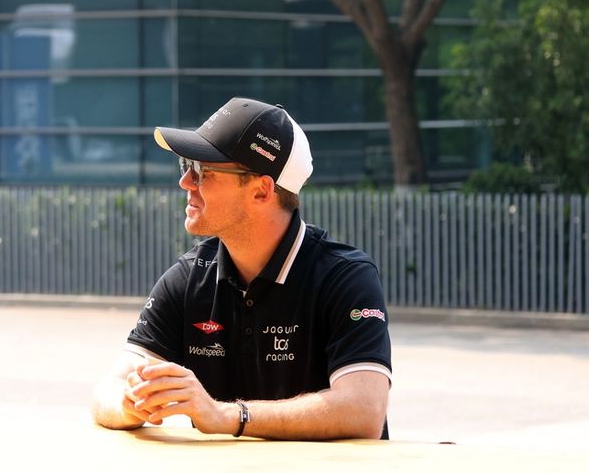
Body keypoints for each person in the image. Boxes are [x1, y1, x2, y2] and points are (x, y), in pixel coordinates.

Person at [91, 97, 391, 440]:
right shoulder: (188, 278)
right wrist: (131, 403)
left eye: (203, 171)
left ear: (262, 191)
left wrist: (227, 415)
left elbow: (363, 410)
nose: (186, 182)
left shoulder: (345, 277)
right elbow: (106, 393)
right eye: (186, 165)